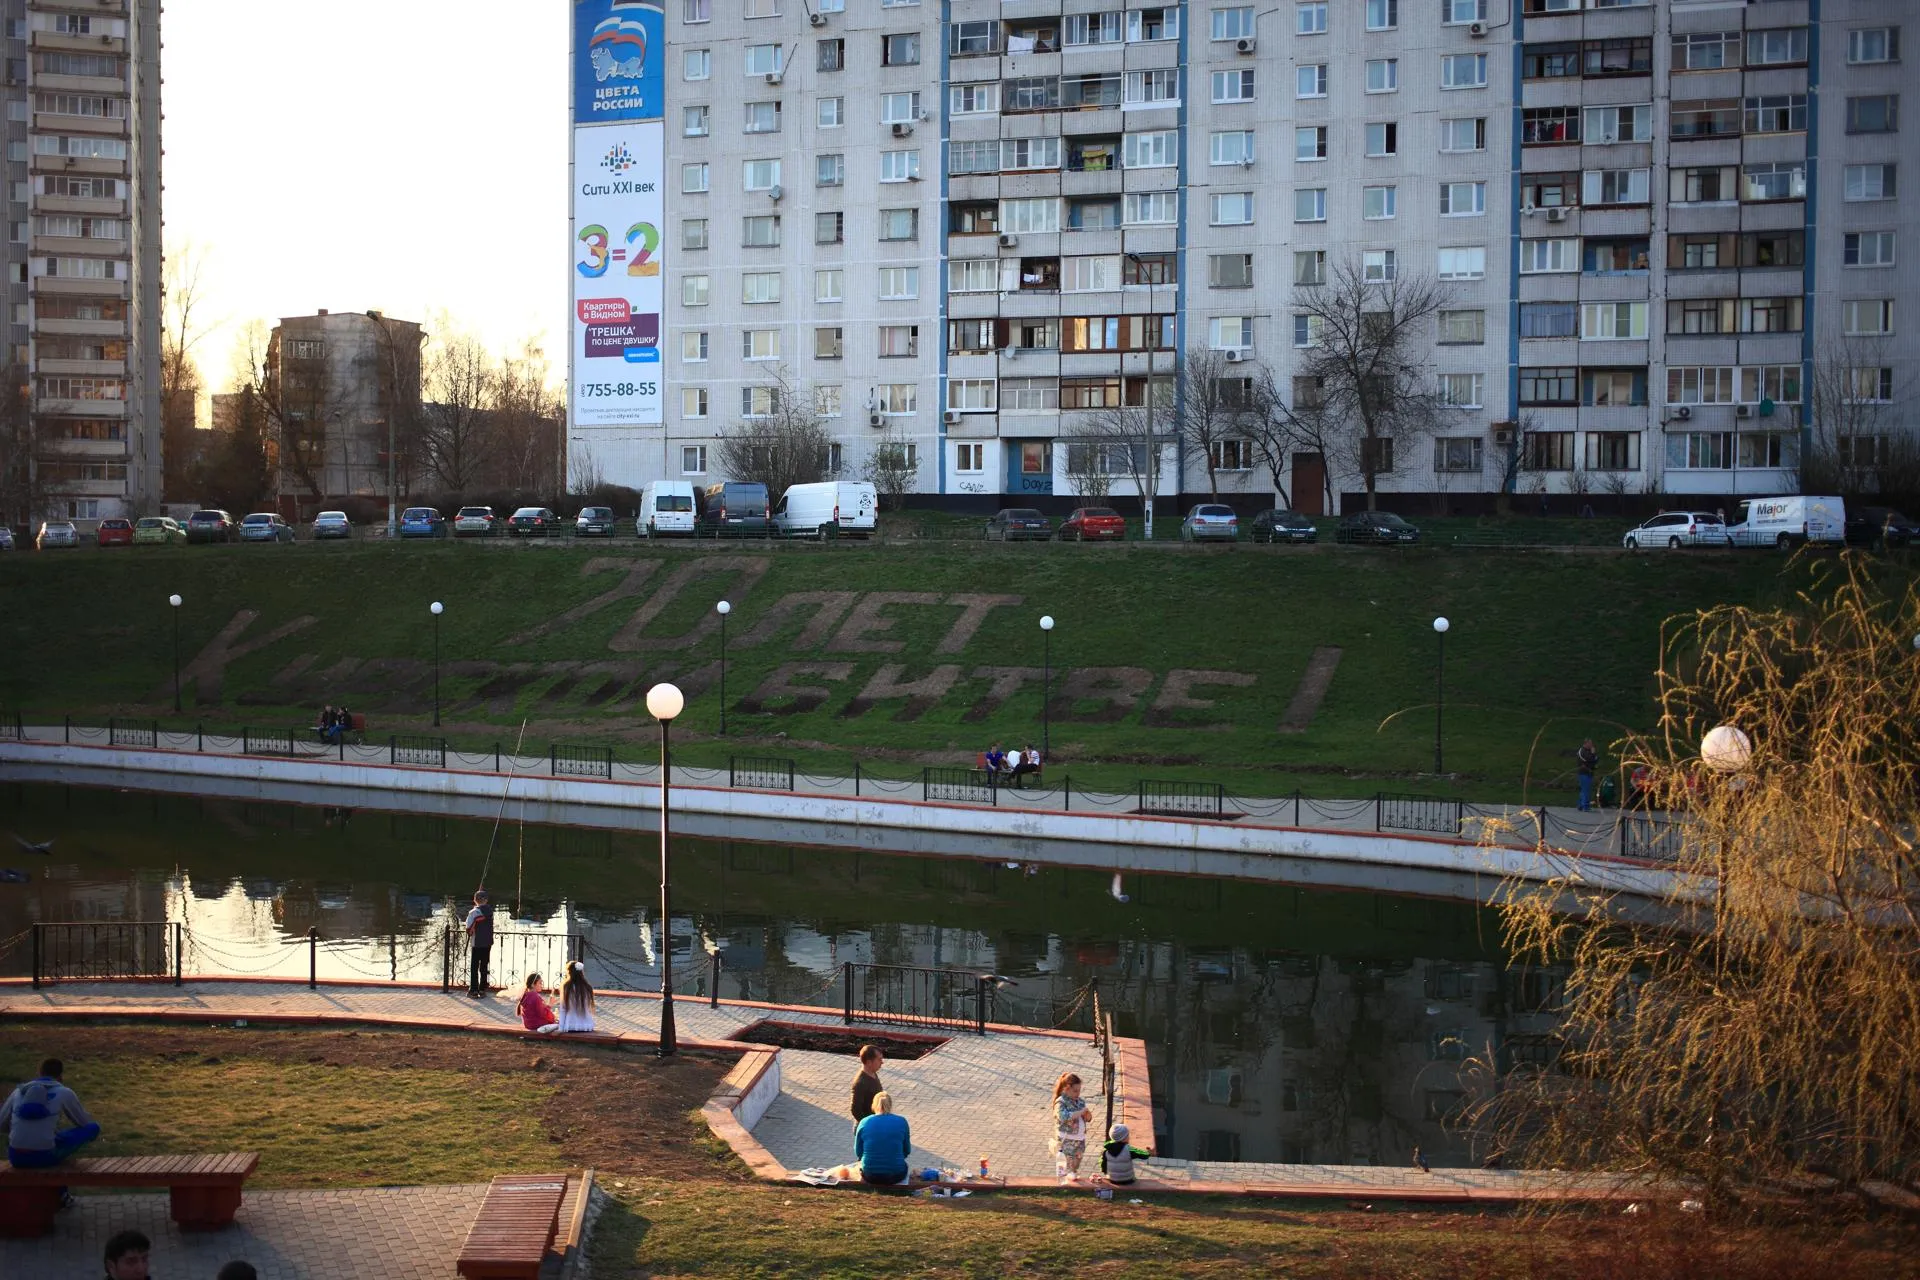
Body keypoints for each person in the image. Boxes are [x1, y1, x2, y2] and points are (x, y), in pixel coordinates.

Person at [2, 1057, 100, 1170]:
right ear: (60, 1076)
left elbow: (1, 1123)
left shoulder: (18, 1091)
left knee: (54, 1137)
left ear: (40, 1073)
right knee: (93, 1128)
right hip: (44, 1156)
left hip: (16, 1157)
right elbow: (85, 1123)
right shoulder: (64, 1092)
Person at [852, 1091, 912, 1186]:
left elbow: (858, 1152)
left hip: (870, 1175)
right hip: (896, 1174)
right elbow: (907, 1150)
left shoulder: (864, 1122)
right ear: (890, 1105)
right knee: (905, 1166)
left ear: (874, 1105)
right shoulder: (901, 1121)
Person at [1051, 1072, 1092, 1182]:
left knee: (1078, 1159)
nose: (1078, 1093)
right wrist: (1080, 1112)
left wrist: (1087, 1115)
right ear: (1066, 1088)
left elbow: (1087, 1117)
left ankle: (1073, 1173)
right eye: (1075, 1091)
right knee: (1066, 1160)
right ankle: (1064, 1180)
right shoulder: (1061, 1102)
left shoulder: (1080, 1101)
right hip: (1066, 1138)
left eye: (1079, 1090)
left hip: (1079, 1138)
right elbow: (1063, 1117)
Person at [464, 889, 494, 998]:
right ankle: (482, 989)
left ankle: (473, 990)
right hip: (487, 943)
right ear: (486, 900)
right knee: (484, 965)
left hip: (477, 943)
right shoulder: (490, 911)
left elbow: (468, 928)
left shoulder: (473, 912)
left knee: (474, 966)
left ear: (475, 900)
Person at [849, 1044, 884, 1136]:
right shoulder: (860, 1083)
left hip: (875, 1124)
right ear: (869, 1062)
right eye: (879, 1059)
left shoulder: (873, 1073)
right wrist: (868, 1126)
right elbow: (855, 1109)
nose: (882, 1062)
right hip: (867, 1129)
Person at [557, 960, 596, 1033]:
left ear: (569, 973)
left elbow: (563, 1009)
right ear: (581, 973)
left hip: (571, 1025)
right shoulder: (588, 987)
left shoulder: (566, 987)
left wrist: (561, 1028)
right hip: (587, 1026)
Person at [1576, 739, 1599, 812]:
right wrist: (1593, 754)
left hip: (1589, 773)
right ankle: (1585, 806)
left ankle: (1580, 804)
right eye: (1590, 744)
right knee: (1585, 790)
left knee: (1585, 789)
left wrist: (1593, 756)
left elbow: (1595, 759)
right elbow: (1588, 759)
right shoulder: (1582, 751)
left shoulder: (1588, 751)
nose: (1592, 745)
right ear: (1586, 743)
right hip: (1583, 773)